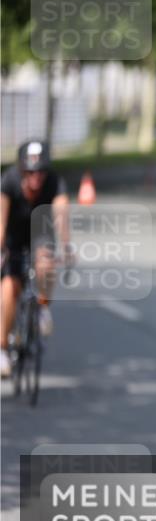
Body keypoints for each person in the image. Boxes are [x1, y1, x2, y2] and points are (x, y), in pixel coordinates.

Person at [1, 139, 71, 377]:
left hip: (40, 235)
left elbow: (61, 212)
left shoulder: (54, 182)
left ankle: (42, 307)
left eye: (40, 171)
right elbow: (0, 223)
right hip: (13, 239)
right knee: (10, 286)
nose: (36, 177)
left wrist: (67, 245)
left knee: (46, 262)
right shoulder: (9, 181)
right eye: (30, 171)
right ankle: (2, 348)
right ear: (21, 170)